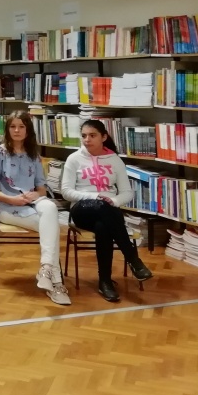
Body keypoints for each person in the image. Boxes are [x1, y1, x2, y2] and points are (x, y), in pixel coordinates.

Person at [61, 119, 153, 302]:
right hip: (82, 209)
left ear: (104, 137)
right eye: (84, 136)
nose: (87, 140)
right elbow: (66, 192)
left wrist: (114, 200)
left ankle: (105, 282)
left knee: (103, 226)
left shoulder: (115, 160)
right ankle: (134, 260)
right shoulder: (74, 159)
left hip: (108, 211)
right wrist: (95, 196)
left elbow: (127, 192)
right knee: (105, 209)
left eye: (92, 135)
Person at [0, 111, 70, 305]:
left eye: (21, 126)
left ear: (28, 130)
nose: (17, 130)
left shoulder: (34, 155)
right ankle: (56, 283)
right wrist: (13, 199)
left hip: (32, 202)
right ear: (7, 129)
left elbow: (42, 189)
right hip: (8, 206)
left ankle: (46, 269)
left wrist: (36, 195)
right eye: (12, 126)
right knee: (52, 227)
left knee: (50, 207)